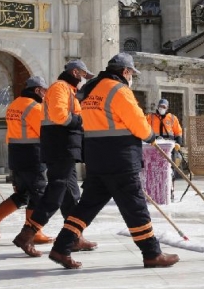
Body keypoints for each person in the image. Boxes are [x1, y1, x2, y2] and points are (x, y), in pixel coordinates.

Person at [48, 53, 179, 269]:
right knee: (135, 206)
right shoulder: (119, 90)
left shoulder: (90, 90)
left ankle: (61, 247)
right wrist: (151, 137)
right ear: (126, 72)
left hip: (96, 157)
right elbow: (137, 122)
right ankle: (152, 253)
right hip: (120, 157)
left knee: (86, 207)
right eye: (131, 74)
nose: (131, 78)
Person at [12, 59, 98, 257]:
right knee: (55, 194)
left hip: (66, 147)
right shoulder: (60, 87)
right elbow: (60, 116)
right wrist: (82, 121)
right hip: (61, 147)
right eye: (84, 75)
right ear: (76, 72)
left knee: (70, 196)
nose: (85, 80)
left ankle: (74, 236)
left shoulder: (69, 91)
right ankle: (27, 234)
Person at [0, 76, 53, 244]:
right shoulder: (35, 108)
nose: (45, 95)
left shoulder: (14, 105)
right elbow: (44, 133)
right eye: (44, 91)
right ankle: (35, 231)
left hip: (16, 154)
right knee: (38, 194)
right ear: (37, 90)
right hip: (33, 155)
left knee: (23, 194)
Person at [147, 98, 184, 189]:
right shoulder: (150, 117)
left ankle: (170, 189)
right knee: (155, 168)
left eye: (164, 107)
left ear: (167, 108)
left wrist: (178, 143)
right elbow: (143, 127)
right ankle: (155, 189)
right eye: (160, 106)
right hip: (154, 147)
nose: (161, 108)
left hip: (169, 148)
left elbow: (178, 132)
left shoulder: (172, 118)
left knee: (169, 169)